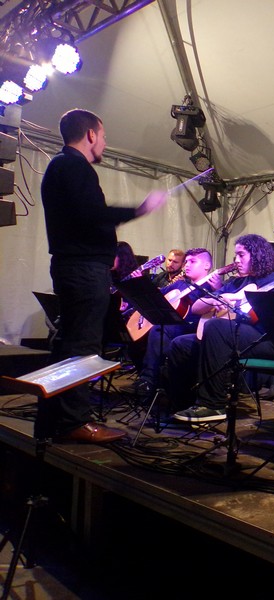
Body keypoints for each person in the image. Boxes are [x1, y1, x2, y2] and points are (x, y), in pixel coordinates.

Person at [39, 108, 167, 443]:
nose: (105, 144)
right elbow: (92, 214)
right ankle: (74, 422)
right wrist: (139, 209)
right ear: (91, 134)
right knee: (82, 344)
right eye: (104, 137)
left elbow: (81, 219)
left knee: (69, 341)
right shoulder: (73, 165)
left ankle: (53, 418)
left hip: (77, 266)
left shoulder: (61, 166)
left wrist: (106, 250)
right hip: (83, 269)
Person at [167, 234, 274, 421]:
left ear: (257, 255)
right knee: (180, 344)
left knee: (216, 326)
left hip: (264, 340)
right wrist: (218, 299)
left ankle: (213, 405)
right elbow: (196, 307)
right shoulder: (235, 282)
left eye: (241, 255)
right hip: (230, 336)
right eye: (235, 255)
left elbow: (271, 317)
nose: (236, 260)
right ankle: (182, 404)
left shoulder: (273, 280)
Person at [133, 247, 218, 400]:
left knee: (160, 330)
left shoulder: (211, 288)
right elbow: (155, 297)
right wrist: (140, 283)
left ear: (207, 266)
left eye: (193, 262)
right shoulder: (180, 285)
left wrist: (218, 289)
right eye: (186, 262)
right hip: (170, 326)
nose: (187, 265)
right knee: (135, 339)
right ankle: (153, 381)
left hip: (193, 328)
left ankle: (148, 380)